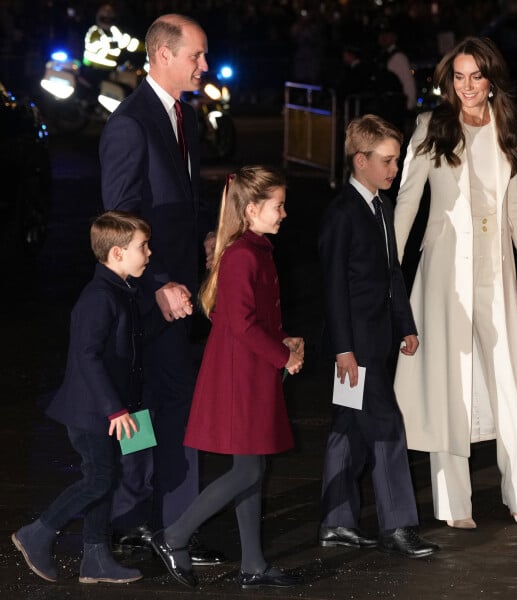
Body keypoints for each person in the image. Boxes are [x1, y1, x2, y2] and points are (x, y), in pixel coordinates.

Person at [393, 36, 517, 529]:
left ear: (490, 77)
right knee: (449, 382)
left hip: (496, 269)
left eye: (474, 76)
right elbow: (407, 205)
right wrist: (386, 272)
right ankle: (454, 504)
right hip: (444, 272)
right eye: (458, 77)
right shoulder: (430, 126)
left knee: (507, 378)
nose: (466, 86)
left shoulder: (507, 124)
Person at [99, 14, 223, 565]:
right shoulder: (131, 123)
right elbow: (118, 225)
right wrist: (156, 284)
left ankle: (168, 524)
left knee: (168, 408)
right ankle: (139, 523)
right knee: (145, 412)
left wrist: (203, 237)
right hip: (146, 300)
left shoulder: (183, 117)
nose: (204, 65)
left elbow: (176, 202)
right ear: (163, 55)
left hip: (177, 293)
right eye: (196, 55)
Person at [150, 166, 305, 589]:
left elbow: (251, 315)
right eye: (278, 206)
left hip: (248, 369)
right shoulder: (242, 254)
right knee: (248, 472)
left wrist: (285, 341)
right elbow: (240, 322)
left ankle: (253, 563)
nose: (284, 214)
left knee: (250, 468)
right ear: (252, 209)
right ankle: (175, 535)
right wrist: (282, 357)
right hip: (241, 375)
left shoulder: (250, 250)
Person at [11, 211, 160, 585]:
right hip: (95, 412)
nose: (149, 253)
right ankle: (37, 532)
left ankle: (95, 557)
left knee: (112, 477)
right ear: (116, 254)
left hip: (121, 408)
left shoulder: (123, 290)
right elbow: (86, 356)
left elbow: (129, 345)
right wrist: (115, 409)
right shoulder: (98, 297)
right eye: (143, 246)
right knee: (98, 479)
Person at [318, 114, 439, 558]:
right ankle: (398, 524)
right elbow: (331, 288)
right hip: (356, 347)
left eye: (397, 160)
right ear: (361, 160)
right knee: (387, 428)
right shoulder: (342, 214)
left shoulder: (381, 207)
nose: (394, 169)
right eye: (387, 161)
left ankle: (336, 521)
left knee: (347, 427)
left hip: (378, 339)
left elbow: (392, 274)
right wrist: (343, 349)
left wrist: (405, 325)